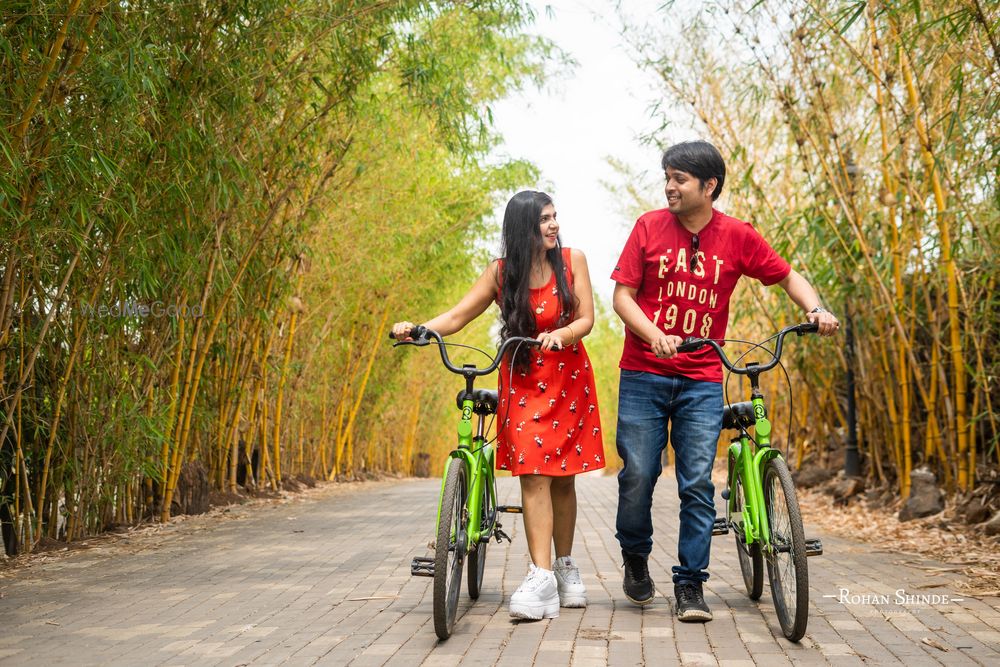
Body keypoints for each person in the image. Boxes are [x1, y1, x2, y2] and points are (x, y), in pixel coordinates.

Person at [610, 140, 839, 622]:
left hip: (701, 378)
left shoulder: (737, 236)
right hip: (643, 374)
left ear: (709, 186)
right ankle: (635, 557)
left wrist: (815, 309)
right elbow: (623, 297)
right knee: (637, 477)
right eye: (666, 177)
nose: (669, 186)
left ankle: (690, 585)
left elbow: (787, 275)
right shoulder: (649, 226)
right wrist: (654, 334)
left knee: (696, 484)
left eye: (679, 179)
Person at [391, 190, 605, 620]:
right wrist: (417, 330)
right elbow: (456, 316)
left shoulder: (572, 261)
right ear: (523, 226)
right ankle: (541, 577)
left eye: (555, 216)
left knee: (563, 478)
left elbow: (586, 318)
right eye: (545, 219)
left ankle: (565, 569)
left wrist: (561, 335)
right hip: (522, 379)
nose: (554, 225)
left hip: (567, 377)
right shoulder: (501, 272)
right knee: (533, 475)